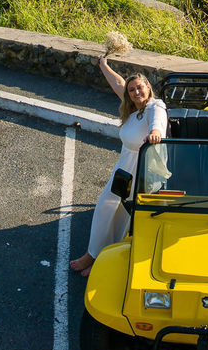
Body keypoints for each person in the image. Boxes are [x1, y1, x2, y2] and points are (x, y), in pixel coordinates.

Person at [70, 57, 166, 277]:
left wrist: (156, 133)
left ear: (148, 87)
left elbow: (158, 123)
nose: (136, 92)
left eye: (140, 88)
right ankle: (94, 254)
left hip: (143, 171)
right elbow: (119, 85)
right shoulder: (133, 108)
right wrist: (104, 66)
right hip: (125, 168)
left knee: (123, 216)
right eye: (132, 90)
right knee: (107, 209)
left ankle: (97, 259)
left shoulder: (155, 106)